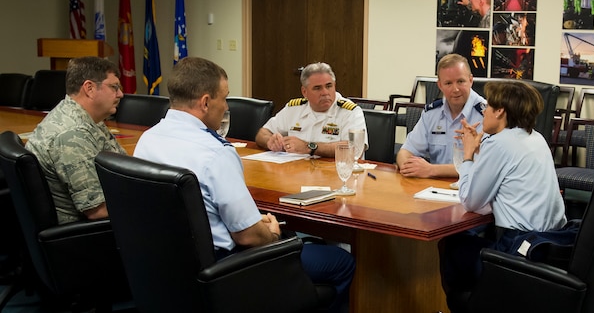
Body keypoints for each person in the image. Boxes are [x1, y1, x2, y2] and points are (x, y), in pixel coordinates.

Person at [133, 57, 355, 312]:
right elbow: (248, 236)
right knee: (341, 262)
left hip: (168, 266)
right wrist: (272, 234)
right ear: (206, 102)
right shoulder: (215, 153)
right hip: (225, 267)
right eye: (224, 98)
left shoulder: (148, 140)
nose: (226, 106)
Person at [438, 80, 567, 311]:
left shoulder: (500, 144)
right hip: (544, 246)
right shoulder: (535, 138)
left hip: (517, 252)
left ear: (500, 112)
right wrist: (481, 151)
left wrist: (468, 155)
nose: (484, 111)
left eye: (487, 107)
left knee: (452, 245)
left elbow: (470, 201)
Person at [25, 56, 125, 225]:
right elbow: (97, 211)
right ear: (90, 88)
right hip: (82, 236)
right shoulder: (72, 134)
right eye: (114, 87)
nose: (121, 94)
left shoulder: (82, 117)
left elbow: (121, 164)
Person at [396, 54, 486, 178]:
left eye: (460, 81)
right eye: (448, 83)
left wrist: (431, 170)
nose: (455, 89)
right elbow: (405, 151)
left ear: (470, 80)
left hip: (473, 188)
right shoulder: (432, 113)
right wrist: (408, 167)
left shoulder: (487, 114)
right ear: (440, 85)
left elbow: (484, 166)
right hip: (434, 187)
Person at [255, 62, 367, 158]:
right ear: (304, 92)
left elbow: (355, 148)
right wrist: (270, 141)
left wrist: (309, 147)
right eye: (317, 88)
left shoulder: (350, 111)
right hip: (296, 172)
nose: (325, 92)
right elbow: (262, 133)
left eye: (329, 86)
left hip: (334, 173)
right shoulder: (294, 108)